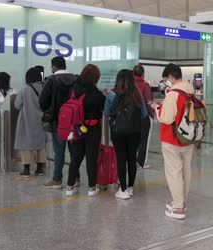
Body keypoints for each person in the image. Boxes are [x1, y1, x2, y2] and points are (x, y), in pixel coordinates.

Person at [151, 63, 194, 219]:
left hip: (172, 138)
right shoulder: (190, 90)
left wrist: (156, 107)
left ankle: (178, 208)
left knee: (174, 172)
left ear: (170, 77)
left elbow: (166, 118)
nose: (166, 82)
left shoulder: (173, 93)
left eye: (165, 79)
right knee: (185, 170)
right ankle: (181, 201)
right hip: (188, 137)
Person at [104, 69, 147, 200]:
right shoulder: (137, 93)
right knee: (132, 159)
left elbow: (106, 113)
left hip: (118, 131)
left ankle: (122, 190)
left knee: (121, 158)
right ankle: (130, 188)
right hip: (135, 131)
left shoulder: (112, 94)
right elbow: (144, 114)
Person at [65, 64, 105, 197]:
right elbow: (102, 108)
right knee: (91, 157)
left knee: (76, 157)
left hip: (76, 127)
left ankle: (70, 187)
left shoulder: (74, 90)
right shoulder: (96, 93)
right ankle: (92, 188)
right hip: (92, 128)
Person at [39, 56, 78, 189]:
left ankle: (57, 179)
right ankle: (76, 177)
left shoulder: (51, 80)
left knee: (59, 151)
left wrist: (48, 111)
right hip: (73, 122)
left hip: (58, 122)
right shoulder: (75, 79)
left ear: (54, 67)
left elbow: (42, 102)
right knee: (74, 150)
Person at [14, 68, 47, 177]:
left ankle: (26, 170)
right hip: (41, 120)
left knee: (26, 143)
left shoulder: (24, 89)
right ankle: (40, 169)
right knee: (41, 144)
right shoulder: (44, 87)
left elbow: (17, 105)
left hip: (27, 120)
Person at [134, 65, 154, 169]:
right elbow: (148, 101)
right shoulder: (144, 85)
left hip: (131, 117)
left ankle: (132, 161)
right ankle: (141, 162)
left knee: (134, 139)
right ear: (143, 74)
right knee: (144, 140)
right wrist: (151, 115)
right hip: (143, 116)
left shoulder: (129, 84)